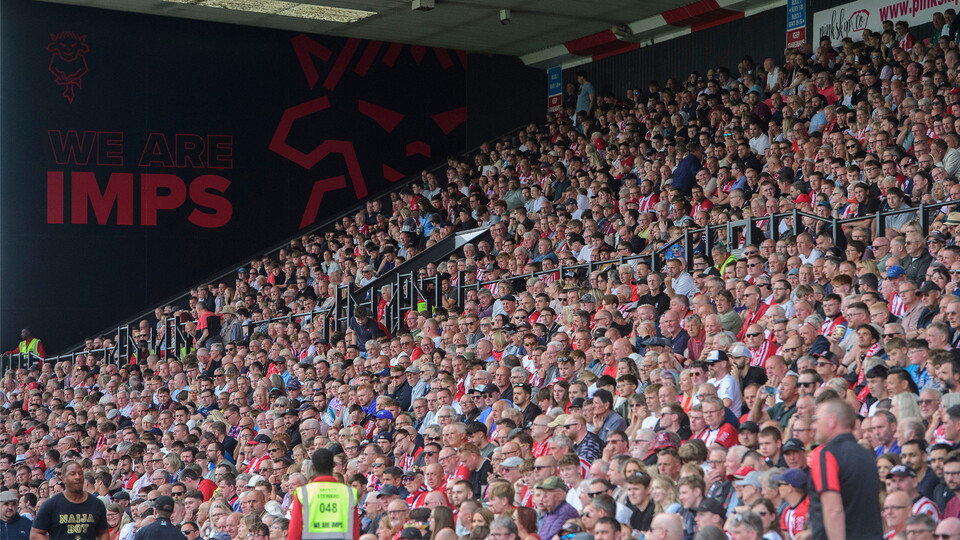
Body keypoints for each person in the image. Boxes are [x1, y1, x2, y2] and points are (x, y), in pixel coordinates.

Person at [808, 399, 883, 539]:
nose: (813, 425)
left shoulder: (825, 454)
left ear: (832, 420)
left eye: (816, 419)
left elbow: (833, 511)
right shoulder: (867, 455)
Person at [287, 448, 361, 540]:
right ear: (333, 466)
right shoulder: (348, 493)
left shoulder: (303, 493)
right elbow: (354, 530)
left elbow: (295, 530)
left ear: (312, 468)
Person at [30, 461, 108, 539]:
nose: (77, 477)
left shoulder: (96, 504)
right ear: (63, 479)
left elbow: (103, 532)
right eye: (72, 474)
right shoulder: (51, 505)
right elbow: (36, 533)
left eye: (80, 473)